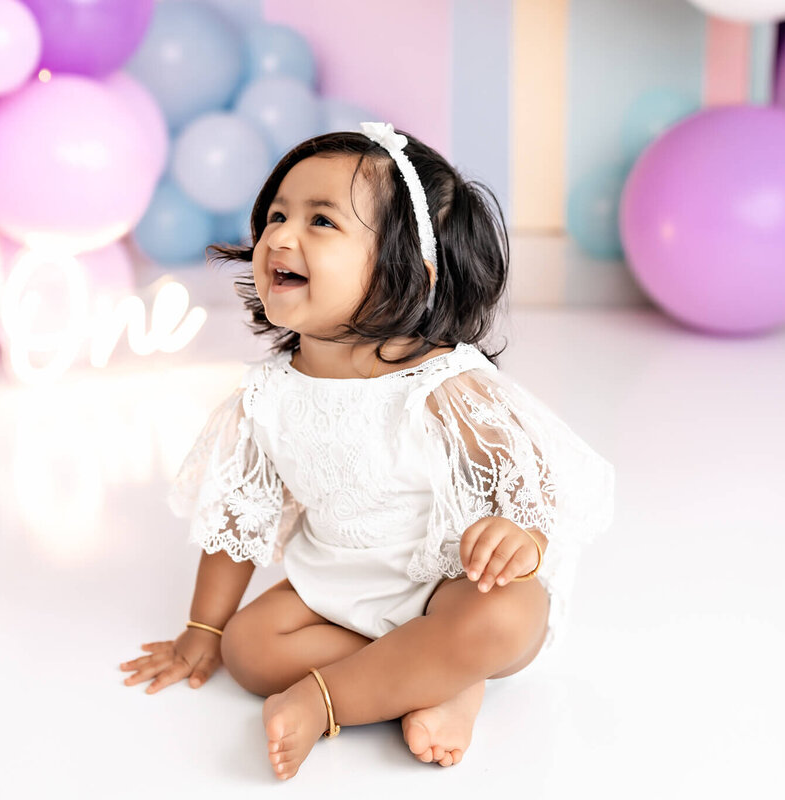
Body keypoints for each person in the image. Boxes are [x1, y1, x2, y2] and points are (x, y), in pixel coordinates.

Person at [118, 123, 615, 781]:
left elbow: (536, 476)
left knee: (507, 617)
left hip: (449, 581)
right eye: (275, 215)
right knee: (248, 650)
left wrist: (519, 533)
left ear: (413, 268)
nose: (280, 238)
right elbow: (237, 520)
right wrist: (202, 632)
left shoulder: (441, 384)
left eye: (321, 221)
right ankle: (431, 674)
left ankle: (331, 700)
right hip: (340, 584)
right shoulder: (269, 395)